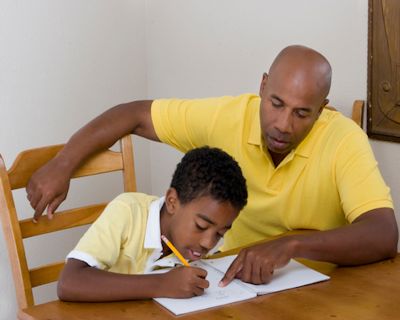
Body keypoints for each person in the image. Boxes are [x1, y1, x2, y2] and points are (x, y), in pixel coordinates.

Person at [28, 45, 398, 287]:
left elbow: (383, 234)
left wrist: (291, 244)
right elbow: (135, 114)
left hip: (319, 293)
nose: (284, 124)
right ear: (262, 86)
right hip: (230, 287)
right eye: (276, 103)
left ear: (322, 108)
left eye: (303, 113)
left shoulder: (343, 139)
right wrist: (63, 163)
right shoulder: (227, 117)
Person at [57, 146, 248, 301]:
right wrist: (162, 284)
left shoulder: (195, 246)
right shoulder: (128, 212)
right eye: (200, 226)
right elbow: (69, 282)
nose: (208, 243)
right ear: (172, 201)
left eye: (220, 234)